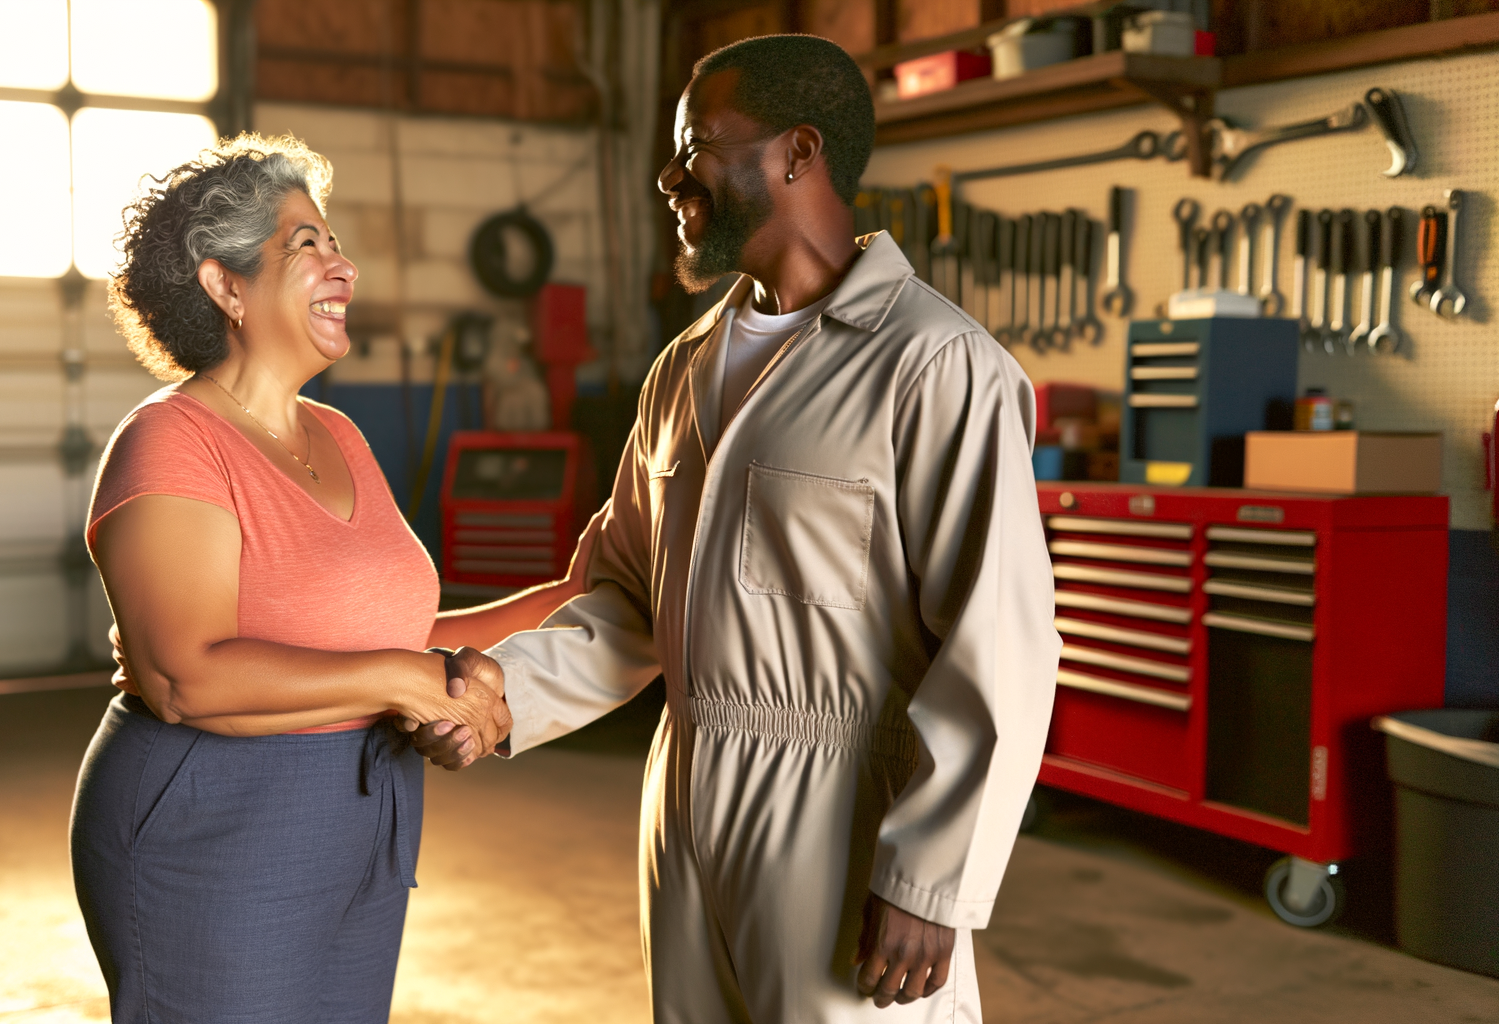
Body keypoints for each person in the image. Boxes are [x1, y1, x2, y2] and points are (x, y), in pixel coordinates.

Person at [408, 34, 1060, 1023]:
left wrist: (929, 877)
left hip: (839, 803)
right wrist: (508, 696)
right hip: (685, 787)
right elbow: (630, 598)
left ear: (798, 153)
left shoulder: (934, 367)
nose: (670, 175)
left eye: (697, 144)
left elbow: (998, 645)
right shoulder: (682, 370)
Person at [70, 133, 595, 1023]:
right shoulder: (170, 441)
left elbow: (378, 638)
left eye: (334, 242)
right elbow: (182, 677)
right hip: (213, 819)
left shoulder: (339, 436)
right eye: (304, 245)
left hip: (364, 811)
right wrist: (405, 681)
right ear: (223, 284)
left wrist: (565, 596)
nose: (341, 265)